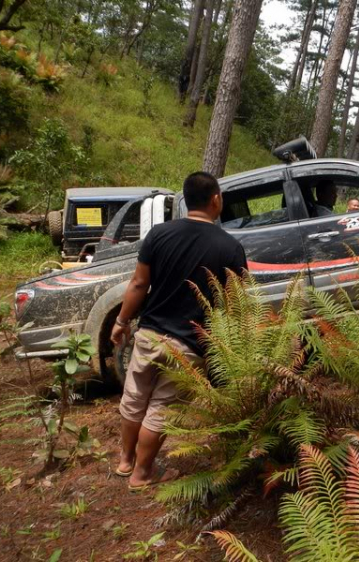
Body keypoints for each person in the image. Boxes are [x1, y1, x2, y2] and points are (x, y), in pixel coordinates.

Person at [110, 171, 247, 491]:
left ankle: (125, 461)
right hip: (188, 345)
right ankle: (142, 474)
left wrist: (121, 322)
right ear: (216, 200)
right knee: (159, 409)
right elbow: (236, 305)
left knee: (134, 398)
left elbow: (139, 283)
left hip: (148, 335)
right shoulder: (230, 247)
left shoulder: (159, 235)